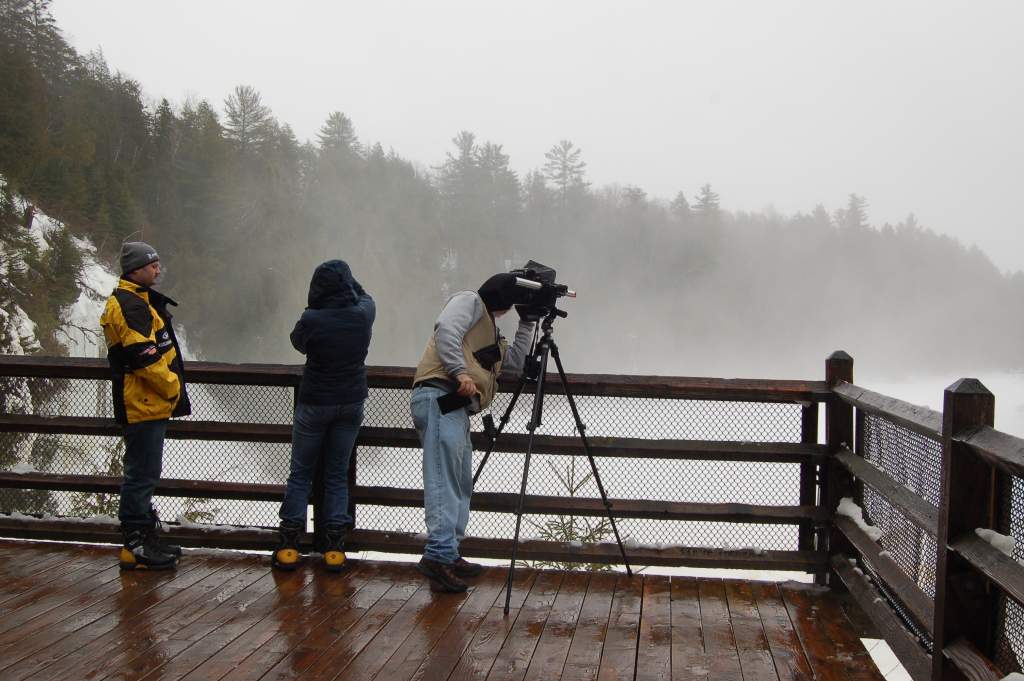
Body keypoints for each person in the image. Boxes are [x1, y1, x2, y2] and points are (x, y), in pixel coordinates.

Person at [410, 273, 536, 592]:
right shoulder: (469, 301)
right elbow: (446, 330)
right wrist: (460, 373)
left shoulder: (490, 329)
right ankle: (438, 556)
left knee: (460, 481)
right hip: (440, 395)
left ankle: (449, 553)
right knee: (444, 478)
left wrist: (528, 324)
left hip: (456, 407)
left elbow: (513, 365)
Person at [273, 260, 375, 572]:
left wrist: (315, 306)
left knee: (300, 473)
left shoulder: (312, 319)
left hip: (315, 402)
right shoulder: (363, 314)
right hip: (350, 402)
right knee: (336, 473)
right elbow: (366, 296)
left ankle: (289, 544)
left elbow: (297, 342)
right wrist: (351, 283)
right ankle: (334, 546)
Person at [100, 241, 191, 570]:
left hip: (147, 401)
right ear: (136, 270)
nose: (157, 269)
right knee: (141, 473)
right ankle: (136, 542)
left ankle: (145, 537)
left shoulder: (136, 300)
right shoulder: (131, 305)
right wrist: (172, 386)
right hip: (142, 401)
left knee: (145, 472)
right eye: (152, 265)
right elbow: (143, 356)